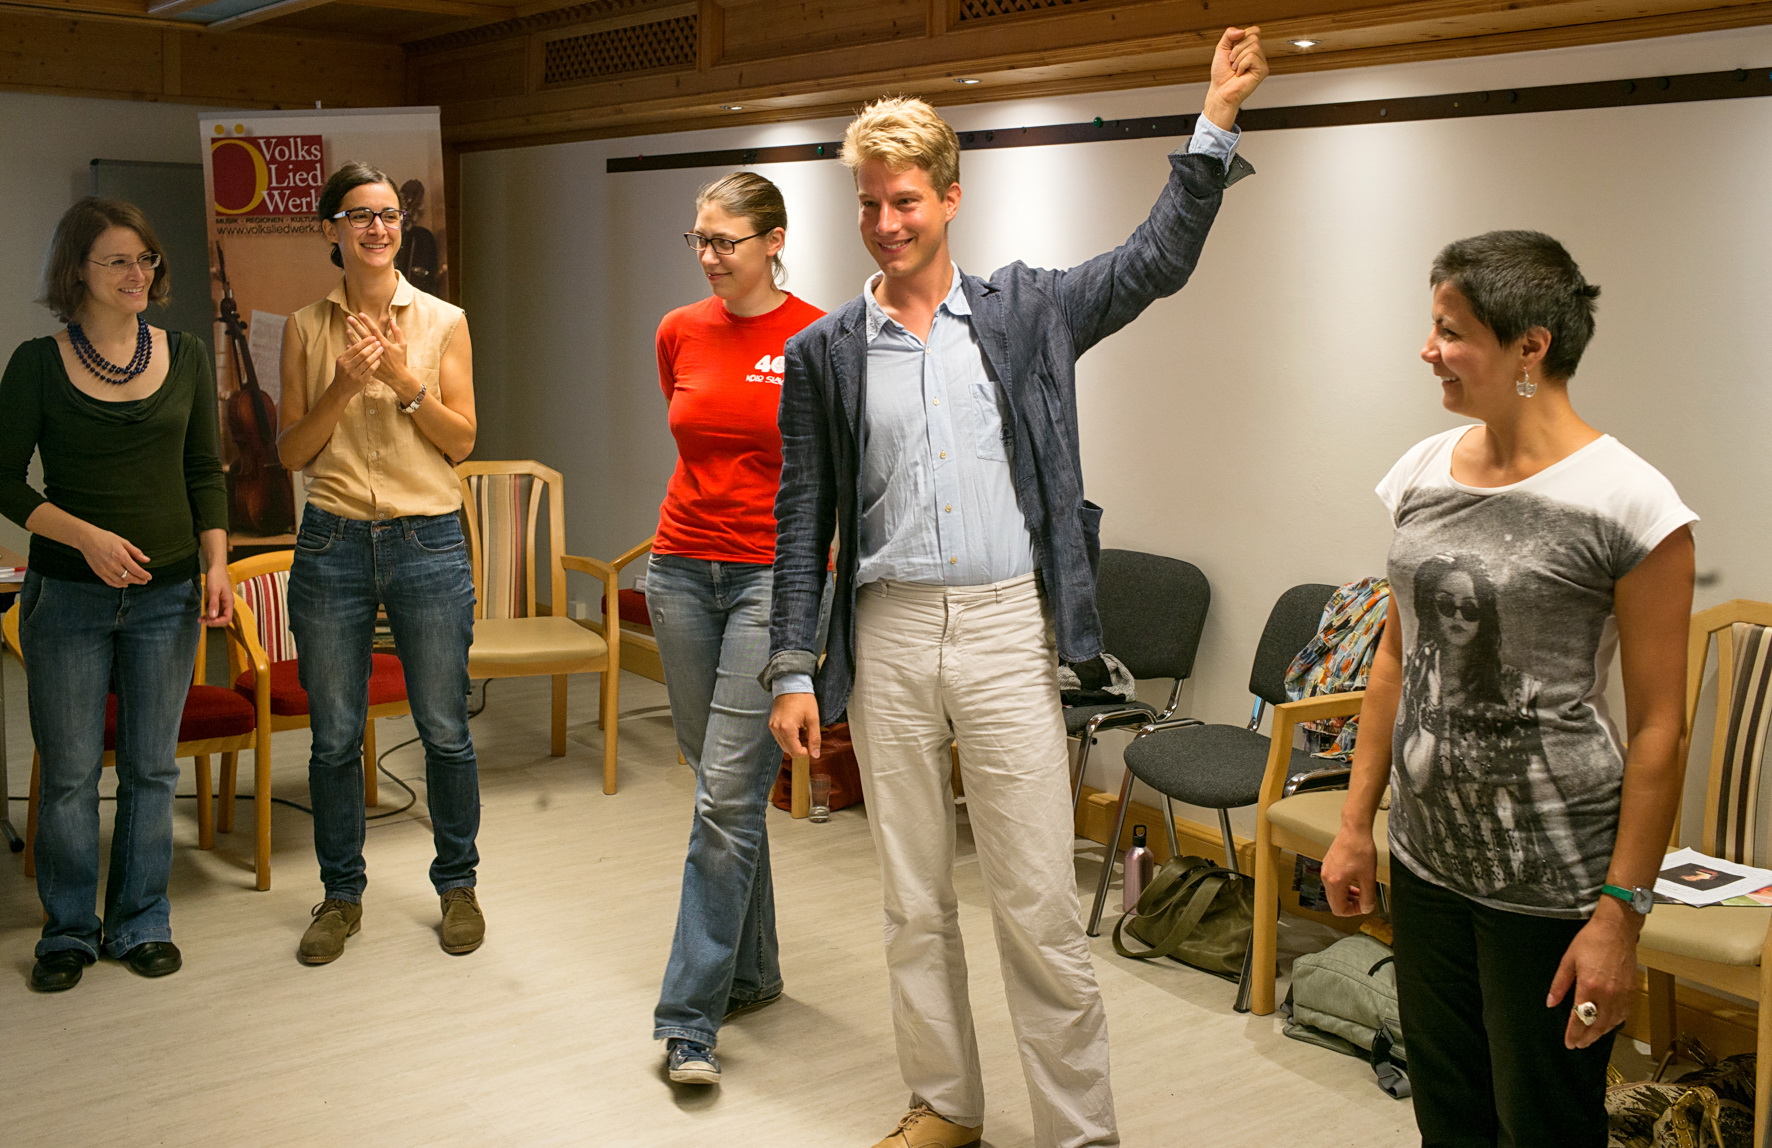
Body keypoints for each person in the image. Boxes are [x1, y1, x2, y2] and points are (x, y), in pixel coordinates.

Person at [764, 28, 1268, 1148]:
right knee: (911, 900)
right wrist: (793, 664)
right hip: (889, 632)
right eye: (868, 204)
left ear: (950, 197)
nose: (886, 222)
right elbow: (802, 518)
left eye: (905, 200)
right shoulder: (825, 352)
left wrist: (1215, 121)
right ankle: (945, 1104)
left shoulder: (1028, 310)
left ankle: (1079, 1131)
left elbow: (1153, 261)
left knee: (1037, 903)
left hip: (1003, 628)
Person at [1320, 230, 1696, 1146]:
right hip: (1427, 859)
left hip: (1555, 879)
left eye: (1452, 332)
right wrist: (1356, 822)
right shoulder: (1421, 470)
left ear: (1531, 346)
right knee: (1448, 1115)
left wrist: (1621, 917)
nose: (1429, 350)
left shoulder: (1632, 502)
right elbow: (1396, 660)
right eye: (1434, 326)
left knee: (1544, 1123)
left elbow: (1660, 728)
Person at [0, 197, 233, 991]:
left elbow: (204, 470)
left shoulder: (187, 353)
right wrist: (84, 538)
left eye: (146, 259)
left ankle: (140, 921)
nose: (139, 274)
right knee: (69, 773)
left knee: (151, 769)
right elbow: (3, 479)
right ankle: (68, 930)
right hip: (68, 597)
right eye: (119, 261)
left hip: (168, 598)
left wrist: (216, 563)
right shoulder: (37, 363)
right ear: (77, 270)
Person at [277, 160, 483, 964]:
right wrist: (341, 388)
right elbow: (292, 452)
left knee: (444, 729)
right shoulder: (305, 327)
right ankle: (340, 896)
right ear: (332, 229)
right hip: (331, 543)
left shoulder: (443, 320)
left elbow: (462, 441)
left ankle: (458, 885)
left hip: (426, 539)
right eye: (360, 215)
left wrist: (400, 379)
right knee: (334, 736)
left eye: (389, 214)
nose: (377, 228)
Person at [646, 172, 826, 1087]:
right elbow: (690, 438)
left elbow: (832, 478)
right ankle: (753, 972)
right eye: (700, 240)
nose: (709, 256)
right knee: (721, 789)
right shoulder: (679, 330)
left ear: (773, 241)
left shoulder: (818, 337)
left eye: (724, 240)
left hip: (771, 581)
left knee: (723, 798)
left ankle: (689, 1023)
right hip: (678, 570)